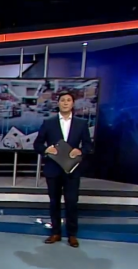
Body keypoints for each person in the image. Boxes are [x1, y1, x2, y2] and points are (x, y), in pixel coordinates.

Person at [33, 91, 93, 248]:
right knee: (54, 202)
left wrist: (80, 151)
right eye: (62, 100)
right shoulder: (48, 123)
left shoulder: (81, 123)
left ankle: (72, 234)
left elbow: (88, 145)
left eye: (68, 100)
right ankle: (56, 232)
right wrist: (46, 149)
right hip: (53, 169)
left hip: (72, 169)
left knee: (71, 202)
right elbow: (37, 144)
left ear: (72, 104)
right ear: (58, 103)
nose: (65, 102)